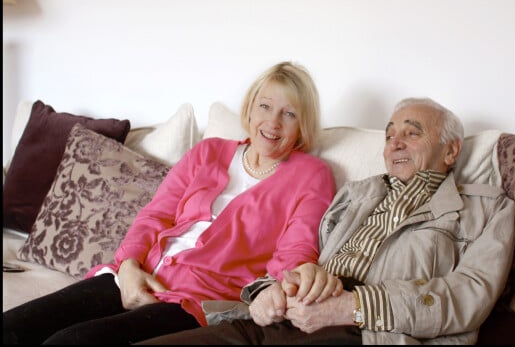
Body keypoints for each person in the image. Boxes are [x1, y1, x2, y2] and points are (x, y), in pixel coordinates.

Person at [2, 61, 337, 345]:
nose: (273, 122)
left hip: (196, 299)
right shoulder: (209, 151)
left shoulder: (311, 175)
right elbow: (156, 213)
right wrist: (130, 265)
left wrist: (286, 286)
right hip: (138, 273)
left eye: (289, 113)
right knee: (13, 328)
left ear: (302, 126)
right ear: (250, 107)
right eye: (265, 106)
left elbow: (295, 254)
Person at [136, 97, 515, 345]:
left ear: (451, 150)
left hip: (366, 333)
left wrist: (351, 306)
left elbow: (469, 296)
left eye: (411, 134)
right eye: (389, 136)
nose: (395, 143)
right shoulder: (356, 193)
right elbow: (300, 257)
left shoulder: (487, 209)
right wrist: (269, 290)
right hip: (287, 317)